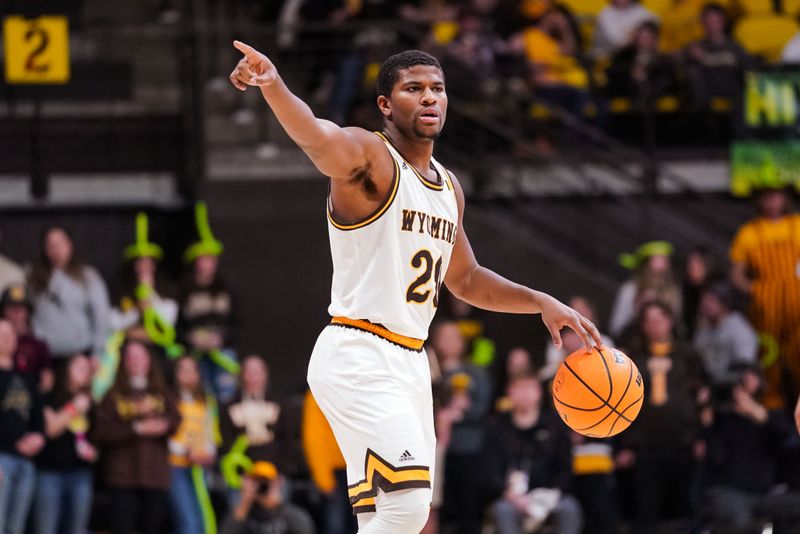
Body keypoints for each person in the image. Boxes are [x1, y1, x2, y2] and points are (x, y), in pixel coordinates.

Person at [229, 43, 601, 533]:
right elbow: (318, 139)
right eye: (414, 89)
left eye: (438, 89)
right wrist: (274, 86)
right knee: (406, 505)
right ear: (386, 104)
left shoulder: (448, 187)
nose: (430, 98)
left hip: (409, 362)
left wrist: (539, 302)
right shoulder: (370, 156)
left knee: (392, 516)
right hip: (359, 350)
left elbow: (465, 278)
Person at [616, 301, 706, 533]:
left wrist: (701, 436)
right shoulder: (633, 356)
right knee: (646, 511)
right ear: (643, 326)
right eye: (649, 321)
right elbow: (621, 401)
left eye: (659, 319)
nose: (655, 326)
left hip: (682, 441)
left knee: (689, 508)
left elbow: (703, 397)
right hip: (645, 444)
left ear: (670, 321)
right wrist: (625, 443)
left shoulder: (688, 354)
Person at [91, 339, 180, 534]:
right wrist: (136, 428)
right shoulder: (113, 395)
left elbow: (176, 419)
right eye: (130, 357)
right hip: (123, 478)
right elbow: (101, 432)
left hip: (156, 477)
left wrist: (163, 425)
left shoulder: (162, 392)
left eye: (140, 356)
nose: (135, 361)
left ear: (149, 360)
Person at [703, 367, 800, 532]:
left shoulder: (769, 417)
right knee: (739, 520)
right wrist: (707, 421)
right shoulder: (721, 420)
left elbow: (791, 438)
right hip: (729, 491)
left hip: (765, 493)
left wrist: (758, 413)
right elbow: (714, 458)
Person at [485, 373, 582, 534]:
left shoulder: (555, 425)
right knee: (503, 510)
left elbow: (566, 468)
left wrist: (554, 494)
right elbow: (490, 471)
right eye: (520, 388)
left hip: (550, 494)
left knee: (570, 508)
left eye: (530, 388)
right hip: (513, 498)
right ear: (509, 392)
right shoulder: (497, 427)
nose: (525, 394)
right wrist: (511, 496)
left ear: (539, 392)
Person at [729, 186, 800, 408]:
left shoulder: (797, 225)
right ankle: (772, 406)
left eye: (777, 194)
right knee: (769, 356)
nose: (772, 200)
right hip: (766, 306)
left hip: (797, 302)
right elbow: (736, 274)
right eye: (767, 195)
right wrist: (757, 290)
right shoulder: (750, 232)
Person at [178, 202, 240, 404]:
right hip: (196, 354)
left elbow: (239, 321)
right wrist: (192, 339)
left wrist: (221, 339)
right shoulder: (184, 290)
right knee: (200, 398)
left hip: (223, 352)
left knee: (226, 397)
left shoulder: (226, 288)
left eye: (211, 259)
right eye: (204, 259)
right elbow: (177, 324)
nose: (208, 263)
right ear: (196, 261)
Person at [433, 320, 491, 534]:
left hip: (470, 449)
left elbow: (483, 406)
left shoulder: (476, 373)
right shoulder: (430, 372)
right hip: (437, 451)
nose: (450, 342)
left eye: (454, 337)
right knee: (439, 509)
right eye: (444, 337)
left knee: (469, 510)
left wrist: (458, 414)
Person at [33, 354, 98, 534]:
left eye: (87, 367)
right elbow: (51, 429)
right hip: (49, 473)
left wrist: (94, 452)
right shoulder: (49, 396)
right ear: (66, 369)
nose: (85, 371)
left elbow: (97, 440)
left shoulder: (91, 402)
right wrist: (73, 408)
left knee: (77, 529)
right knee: (46, 528)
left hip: (80, 473)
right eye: (78, 366)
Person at [29, 226, 111, 364]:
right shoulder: (34, 278)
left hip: (81, 353)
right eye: (51, 244)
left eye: (60, 242)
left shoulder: (88, 276)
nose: (56, 248)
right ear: (45, 249)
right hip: (47, 357)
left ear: (70, 244)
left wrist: (97, 353)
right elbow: (30, 315)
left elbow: (101, 316)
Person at [0, 319, 45, 534]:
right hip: (2, 460)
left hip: (26, 462)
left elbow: (38, 415)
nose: (7, 338)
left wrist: (38, 436)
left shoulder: (26, 376)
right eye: (1, 334)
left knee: (16, 528)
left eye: (10, 334)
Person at [169, 356, 217, 534]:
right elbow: (166, 433)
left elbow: (210, 431)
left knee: (203, 521)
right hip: (176, 467)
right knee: (188, 523)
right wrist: (185, 451)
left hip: (200, 467)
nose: (187, 375)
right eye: (183, 370)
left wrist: (207, 452)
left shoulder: (206, 401)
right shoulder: (170, 400)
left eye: (191, 370)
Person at [302, 390, 356, 534]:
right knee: (336, 525)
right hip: (335, 472)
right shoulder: (318, 391)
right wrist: (323, 479)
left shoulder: (358, 387)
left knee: (363, 525)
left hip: (361, 469)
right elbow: (313, 438)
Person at [683, 3, 751, 114]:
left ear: (723, 22)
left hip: (734, 98)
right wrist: (690, 55)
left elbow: (746, 69)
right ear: (703, 23)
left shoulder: (735, 48)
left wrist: (705, 58)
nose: (712, 25)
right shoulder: (696, 47)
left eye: (715, 21)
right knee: (694, 70)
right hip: (707, 99)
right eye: (708, 21)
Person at [693, 280, 758, 390]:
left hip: (734, 389)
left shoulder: (738, 327)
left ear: (724, 304)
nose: (706, 304)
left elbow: (745, 365)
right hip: (710, 388)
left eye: (712, 300)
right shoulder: (703, 330)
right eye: (704, 300)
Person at [610, 241, 682, 340]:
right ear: (647, 264)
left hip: (663, 345)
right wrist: (639, 309)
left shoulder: (673, 292)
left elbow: (677, 326)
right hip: (632, 341)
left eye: (665, 260)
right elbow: (617, 327)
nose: (663, 264)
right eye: (658, 259)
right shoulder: (630, 289)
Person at [221, 461, 315, 534]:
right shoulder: (243, 513)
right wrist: (245, 501)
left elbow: (305, 530)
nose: (261, 486)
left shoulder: (291, 514)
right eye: (256, 481)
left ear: (277, 482)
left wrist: (278, 504)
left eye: (265, 481)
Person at [540, 296, 614, 381]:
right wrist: (566, 352)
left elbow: (605, 371)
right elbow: (549, 372)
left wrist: (577, 349)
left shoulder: (603, 341)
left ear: (591, 313)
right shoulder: (558, 337)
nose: (579, 314)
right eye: (574, 310)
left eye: (583, 310)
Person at [1, 285, 54, 392]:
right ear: (3, 311)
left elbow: (47, 382)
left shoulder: (38, 346)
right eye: (11, 308)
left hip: (27, 398)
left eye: (20, 308)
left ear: (27, 312)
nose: (16, 313)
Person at [592, 0, 659, 58]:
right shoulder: (605, 14)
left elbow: (654, 24)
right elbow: (617, 42)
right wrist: (635, 36)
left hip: (636, 56)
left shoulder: (643, 12)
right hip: (609, 58)